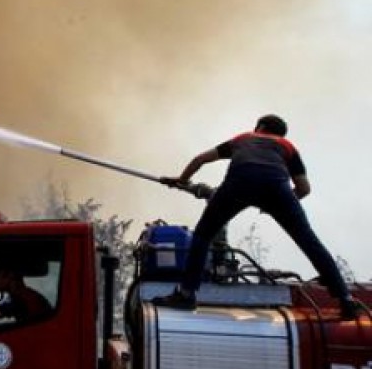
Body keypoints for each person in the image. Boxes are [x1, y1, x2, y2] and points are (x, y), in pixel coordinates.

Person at [154, 113, 364, 320]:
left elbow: (200, 159)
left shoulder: (243, 139)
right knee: (309, 241)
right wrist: (282, 204)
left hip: (237, 186)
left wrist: (181, 180)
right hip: (278, 190)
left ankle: (186, 294)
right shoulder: (287, 147)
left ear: (260, 127)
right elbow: (304, 188)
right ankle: (346, 300)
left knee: (202, 237)